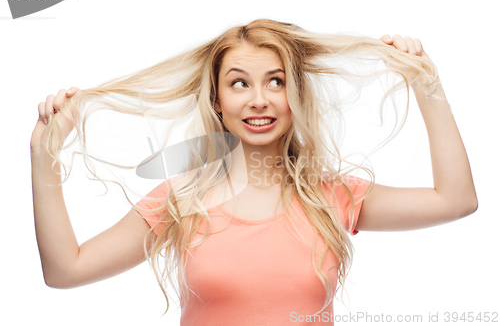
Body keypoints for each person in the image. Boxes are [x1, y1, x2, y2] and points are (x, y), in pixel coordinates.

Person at [30, 19, 477, 325]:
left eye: (276, 81)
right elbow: (65, 271)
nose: (258, 99)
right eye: (239, 83)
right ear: (217, 102)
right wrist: (42, 154)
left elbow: (456, 200)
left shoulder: (333, 196)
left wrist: (426, 85)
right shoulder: (179, 200)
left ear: (295, 96)